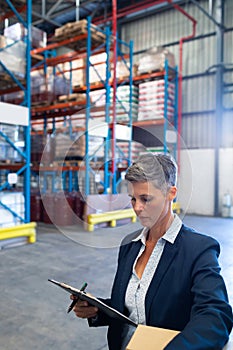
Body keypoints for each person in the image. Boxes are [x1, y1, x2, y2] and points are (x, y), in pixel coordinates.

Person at [72, 153, 233, 349]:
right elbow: (131, 308)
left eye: (146, 199)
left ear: (171, 193)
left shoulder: (199, 250)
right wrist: (97, 309)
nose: (137, 208)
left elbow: (215, 316)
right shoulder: (129, 245)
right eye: (133, 199)